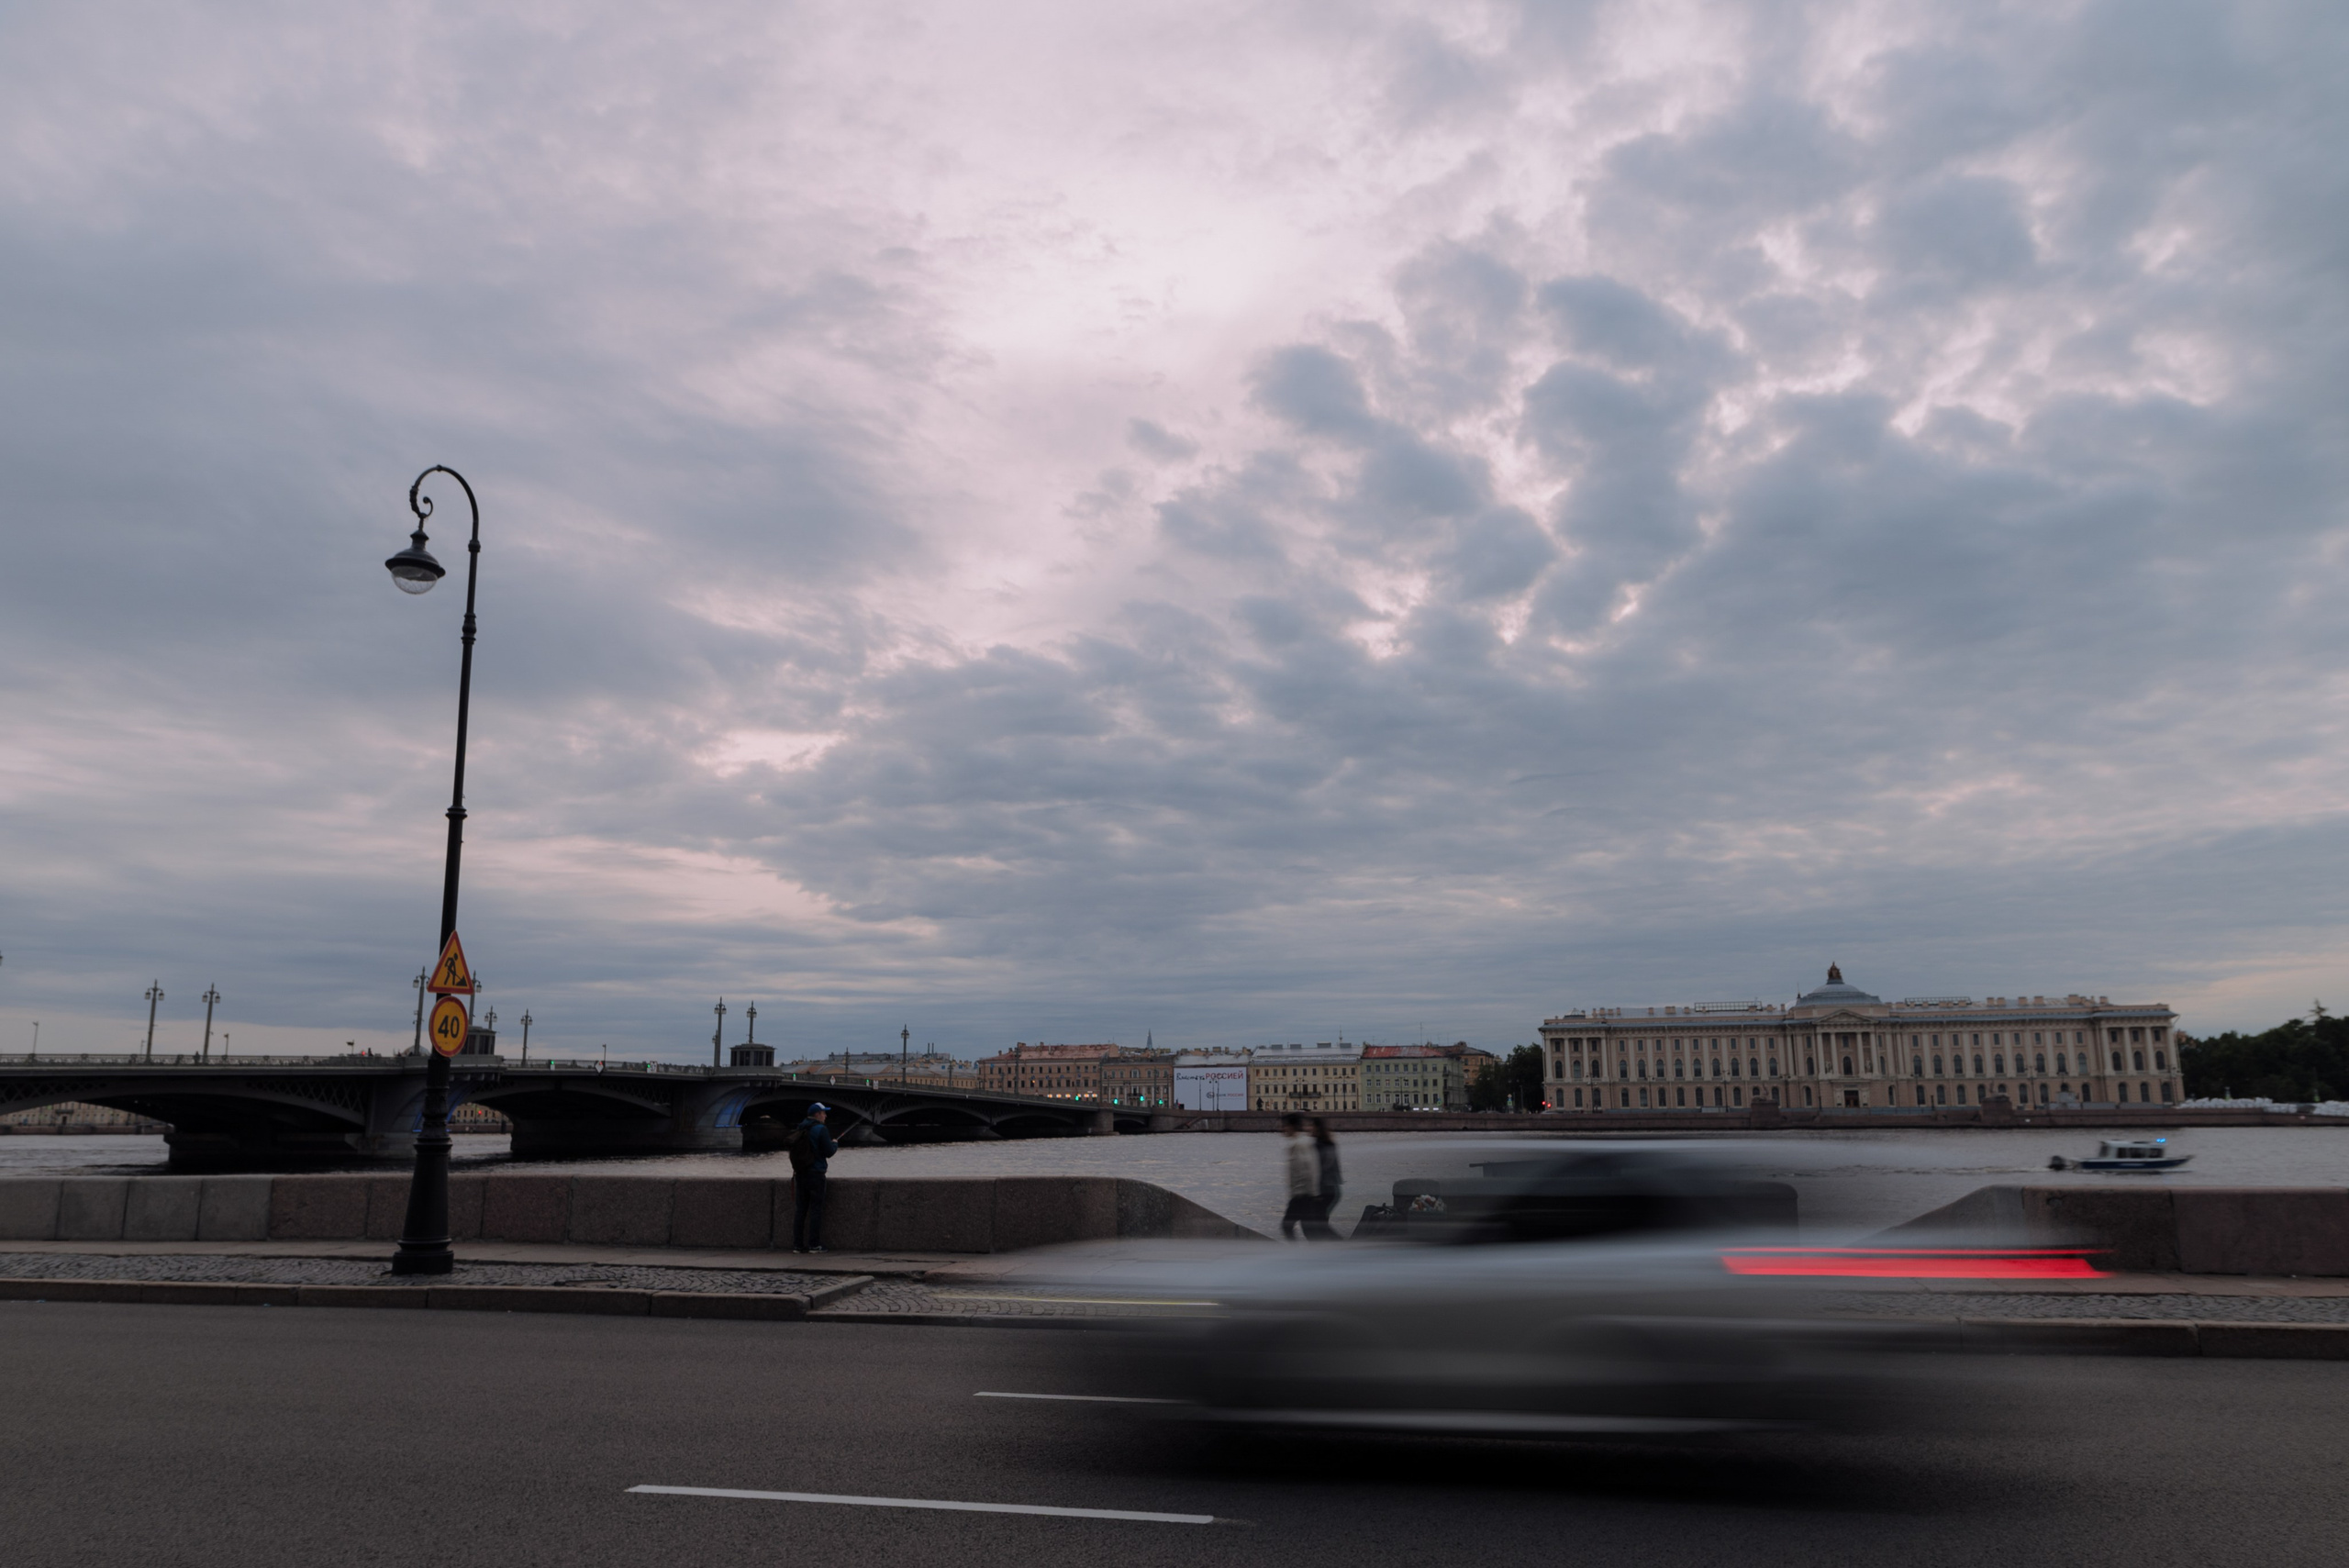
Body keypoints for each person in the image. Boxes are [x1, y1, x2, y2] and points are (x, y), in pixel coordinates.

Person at [788, 1103, 841, 1253]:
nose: (826, 1116)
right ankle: (814, 1245)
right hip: (816, 1173)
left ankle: (798, 1245)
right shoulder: (820, 1129)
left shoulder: (800, 1128)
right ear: (817, 1114)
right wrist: (834, 1144)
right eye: (824, 1113)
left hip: (800, 1173)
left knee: (801, 1210)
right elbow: (828, 1152)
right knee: (816, 1209)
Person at [1279, 1113, 1319, 1240]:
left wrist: (1306, 1193)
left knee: (1287, 1225)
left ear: (1292, 1126)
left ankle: (1296, 1251)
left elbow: (1307, 1171)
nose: (1283, 1129)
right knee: (1308, 1229)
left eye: (1285, 1126)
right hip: (1304, 1194)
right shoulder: (1301, 1142)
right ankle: (1318, 1250)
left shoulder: (1299, 1145)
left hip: (1301, 1195)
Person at [1306, 1118, 1341, 1240]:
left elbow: (1320, 1169)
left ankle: (1342, 1245)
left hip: (1325, 1190)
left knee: (1317, 1225)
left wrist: (1316, 1193)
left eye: (1311, 1125)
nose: (1308, 1128)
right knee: (1320, 1223)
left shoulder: (1319, 1146)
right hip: (1332, 1189)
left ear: (1317, 1127)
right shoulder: (1328, 1143)